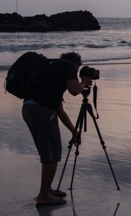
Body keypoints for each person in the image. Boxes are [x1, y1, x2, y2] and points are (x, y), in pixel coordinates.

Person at [22, 52, 94, 206]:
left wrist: (74, 131)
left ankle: (48, 190)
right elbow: (75, 90)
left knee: (48, 150)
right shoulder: (67, 65)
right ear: (76, 64)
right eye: (78, 68)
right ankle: (43, 196)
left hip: (30, 108)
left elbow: (60, 110)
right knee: (52, 154)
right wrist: (83, 82)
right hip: (41, 111)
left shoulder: (52, 71)